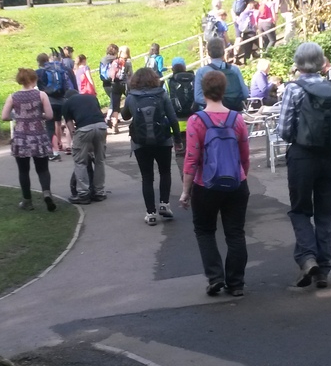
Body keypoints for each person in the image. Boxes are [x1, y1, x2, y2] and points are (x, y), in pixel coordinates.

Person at [278, 42, 331, 288]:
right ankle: (323, 270)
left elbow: (284, 130)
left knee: (300, 210)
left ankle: (308, 258)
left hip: (302, 157)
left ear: (298, 63)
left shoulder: (293, 89)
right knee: (326, 214)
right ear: (321, 62)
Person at [180, 70, 251, 297]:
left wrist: (185, 191)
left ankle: (215, 277)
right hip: (236, 183)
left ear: (203, 92)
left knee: (204, 230)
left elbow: (191, 158)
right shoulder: (237, 119)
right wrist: (242, 177)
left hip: (206, 185)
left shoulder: (196, 121)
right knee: (235, 233)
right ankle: (236, 283)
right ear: (223, 90)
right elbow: (245, 155)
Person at [123, 68, 183, 225]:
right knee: (165, 172)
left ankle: (150, 213)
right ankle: (164, 204)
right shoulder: (161, 94)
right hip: (162, 140)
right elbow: (172, 118)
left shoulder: (131, 96)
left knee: (147, 177)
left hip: (140, 142)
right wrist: (177, 139)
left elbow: (124, 115)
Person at [0, 68, 56, 212]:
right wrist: (38, 116)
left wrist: (19, 116)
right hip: (38, 136)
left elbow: (4, 116)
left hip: (21, 137)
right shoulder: (41, 95)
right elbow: (49, 115)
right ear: (34, 79)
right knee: (42, 168)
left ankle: (27, 201)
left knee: (23, 170)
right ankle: (47, 193)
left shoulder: (13, 97)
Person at [63, 89, 109, 204]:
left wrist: (75, 138)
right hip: (101, 126)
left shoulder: (67, 103)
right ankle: (99, 192)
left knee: (80, 162)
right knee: (100, 160)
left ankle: (83, 194)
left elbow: (70, 125)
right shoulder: (91, 97)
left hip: (84, 128)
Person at [37, 50, 77, 160]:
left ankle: (55, 151)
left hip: (49, 101)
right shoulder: (64, 69)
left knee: (51, 126)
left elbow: (40, 88)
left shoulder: (40, 72)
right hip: (64, 100)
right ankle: (75, 145)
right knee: (68, 122)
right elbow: (73, 84)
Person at [194, 37, 249, 112]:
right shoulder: (234, 70)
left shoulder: (201, 72)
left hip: (212, 115)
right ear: (223, 52)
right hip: (234, 113)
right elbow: (245, 94)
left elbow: (198, 98)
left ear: (208, 53)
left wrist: (214, 102)